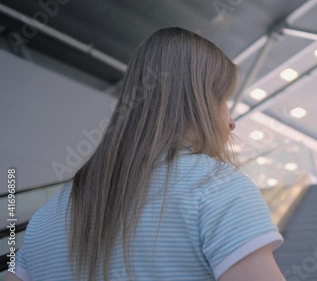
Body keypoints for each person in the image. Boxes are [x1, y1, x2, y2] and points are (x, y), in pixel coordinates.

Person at [7, 27, 285, 281]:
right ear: (199, 103)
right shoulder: (218, 188)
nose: (231, 121)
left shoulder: (47, 216)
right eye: (224, 99)